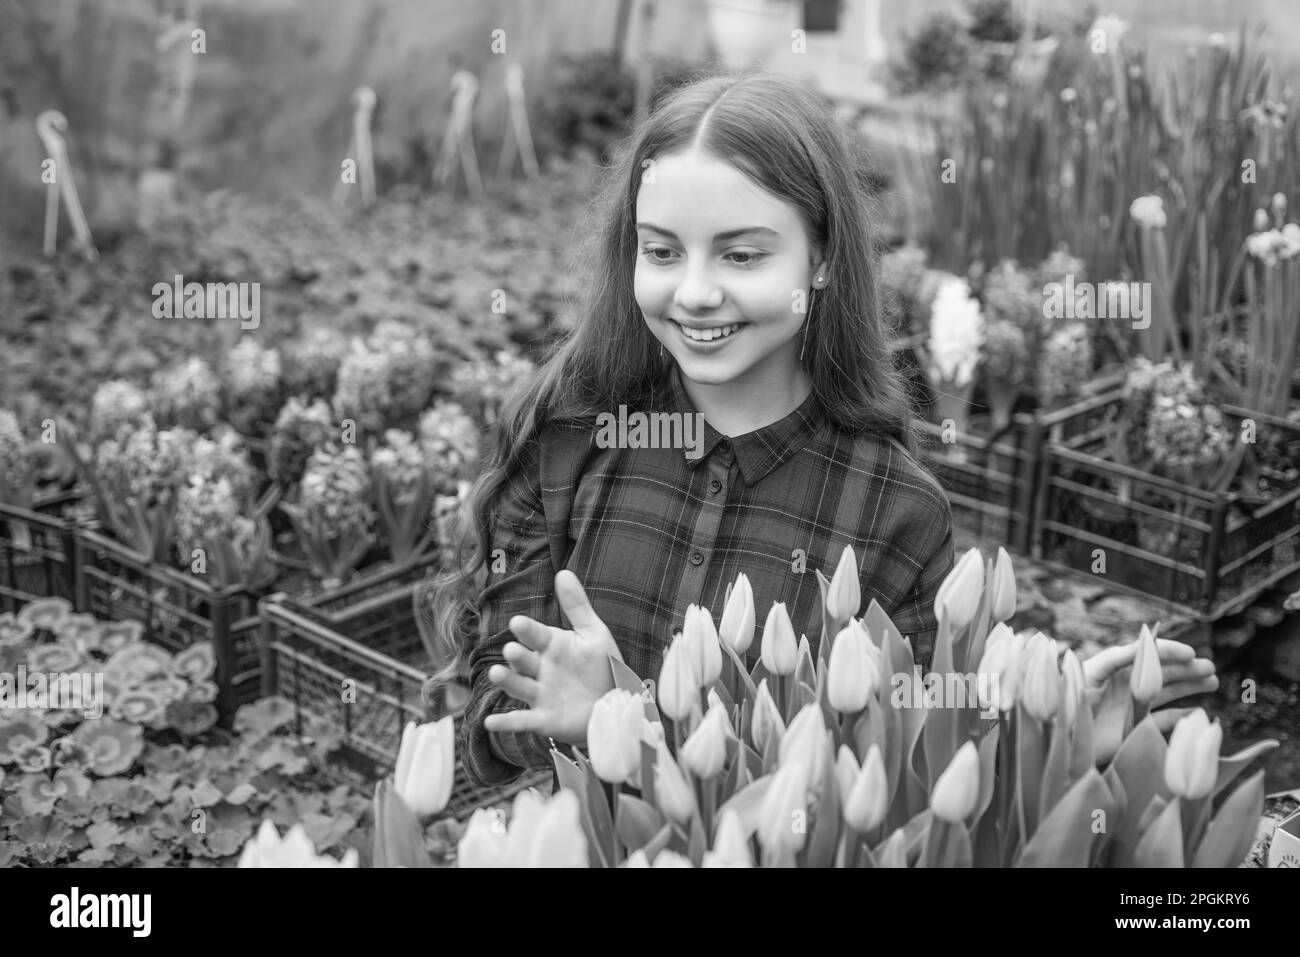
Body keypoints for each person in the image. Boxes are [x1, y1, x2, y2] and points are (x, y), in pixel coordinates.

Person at [421, 72, 1214, 790]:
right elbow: (488, 715)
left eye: (740, 255)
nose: (694, 291)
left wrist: (1055, 732)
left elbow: (910, 759)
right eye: (661, 250)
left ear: (823, 259)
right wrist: (558, 719)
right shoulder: (567, 434)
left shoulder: (894, 508)